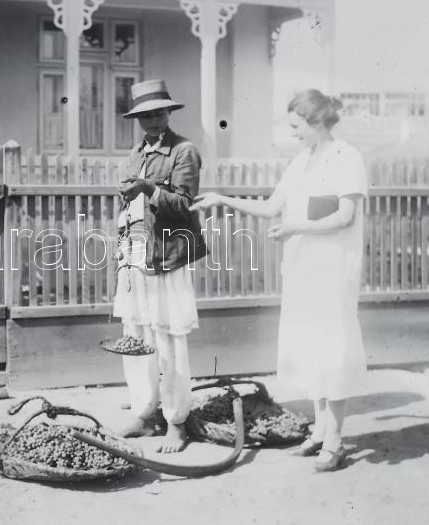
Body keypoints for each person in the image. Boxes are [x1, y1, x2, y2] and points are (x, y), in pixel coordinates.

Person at [190, 89, 368, 472]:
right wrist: (222, 199)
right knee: (312, 349)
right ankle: (320, 432)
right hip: (304, 268)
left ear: (315, 120)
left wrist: (296, 227)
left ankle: (335, 442)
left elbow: (346, 216)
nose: (293, 133)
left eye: (296, 125)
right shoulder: (302, 160)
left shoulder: (347, 157)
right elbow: (272, 206)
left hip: (333, 269)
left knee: (332, 350)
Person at [112, 79, 207, 453]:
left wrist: (148, 189)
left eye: (158, 113)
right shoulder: (133, 155)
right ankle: (144, 413)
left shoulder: (183, 151)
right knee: (137, 338)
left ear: (169, 113)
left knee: (168, 340)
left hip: (167, 255)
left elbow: (184, 204)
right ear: (137, 120)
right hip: (136, 256)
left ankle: (176, 421)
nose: (152, 121)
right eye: (145, 116)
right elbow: (127, 208)